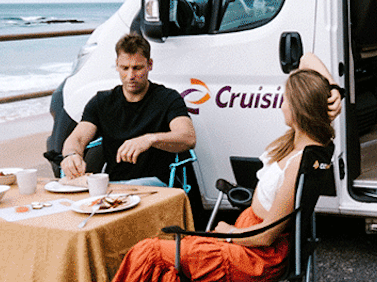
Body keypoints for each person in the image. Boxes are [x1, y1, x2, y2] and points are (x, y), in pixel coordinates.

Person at [111, 54, 340, 282]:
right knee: (163, 262)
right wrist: (334, 89)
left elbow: (266, 236)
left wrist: (228, 232)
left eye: (285, 100)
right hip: (246, 238)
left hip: (254, 255)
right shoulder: (309, 145)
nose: (281, 106)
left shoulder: (300, 161)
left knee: (149, 252)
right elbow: (307, 59)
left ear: (300, 108)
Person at [60, 32, 197, 186]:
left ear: (149, 65)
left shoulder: (168, 98)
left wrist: (149, 139)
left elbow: (188, 137)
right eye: (125, 68)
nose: (131, 75)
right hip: (115, 186)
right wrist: (71, 155)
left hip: (156, 185)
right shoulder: (102, 101)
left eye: (137, 68)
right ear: (117, 65)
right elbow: (77, 138)